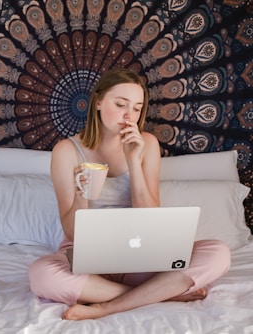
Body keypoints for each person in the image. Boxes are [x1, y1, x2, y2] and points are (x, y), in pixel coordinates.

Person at [28, 68, 231, 320]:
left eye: (136, 108)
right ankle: (159, 293)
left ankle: (106, 306)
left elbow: (150, 218)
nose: (129, 115)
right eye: (121, 104)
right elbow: (72, 232)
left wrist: (133, 161)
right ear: (98, 102)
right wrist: (82, 192)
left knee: (218, 252)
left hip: (141, 251)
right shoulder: (66, 151)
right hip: (87, 255)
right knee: (41, 274)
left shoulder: (147, 144)